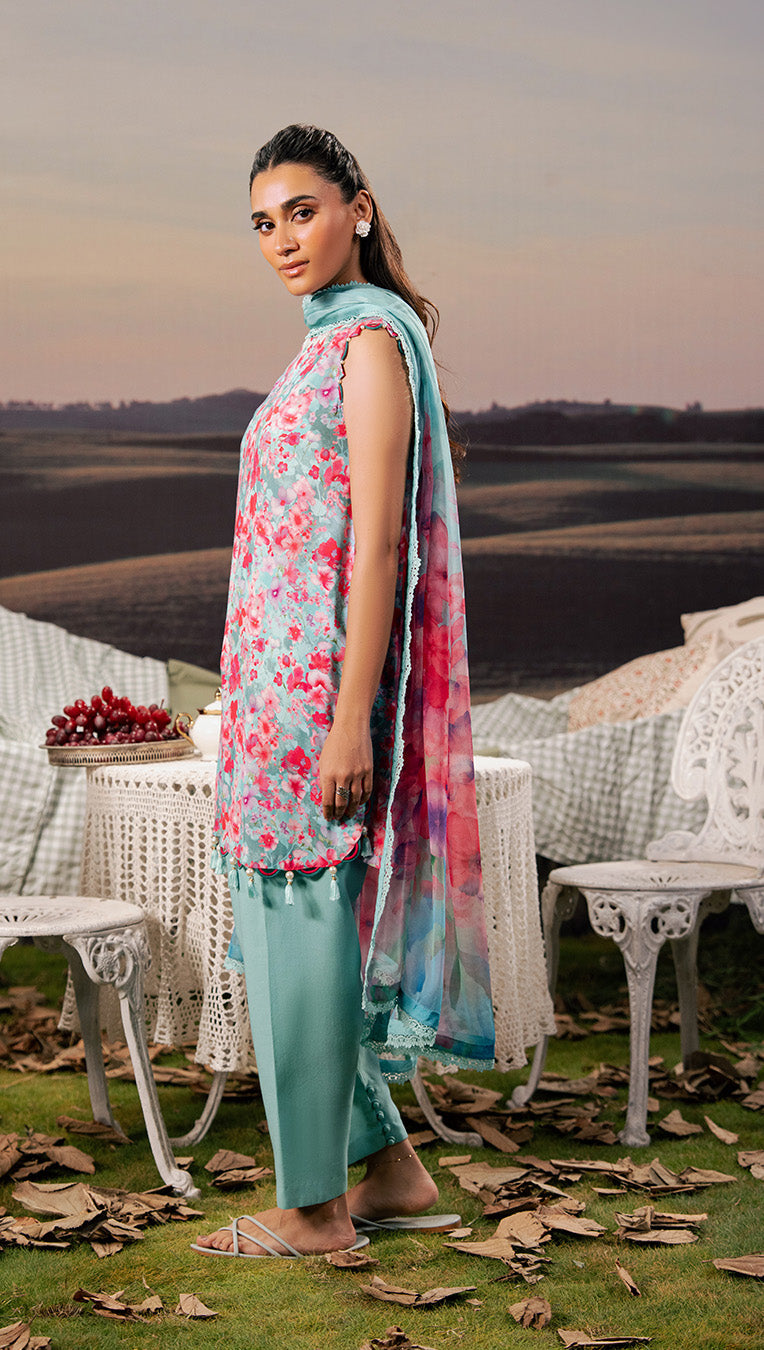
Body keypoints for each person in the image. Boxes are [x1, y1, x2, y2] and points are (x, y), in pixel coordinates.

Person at [193, 125, 494, 1259]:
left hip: (320, 696)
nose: (282, 239)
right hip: (271, 696)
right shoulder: (320, 345)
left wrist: (349, 720)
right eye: (263, 223)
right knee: (284, 930)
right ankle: (391, 1173)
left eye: (303, 211)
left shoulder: (368, 344)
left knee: (307, 931)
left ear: (358, 209)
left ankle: (314, 1210)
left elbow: (377, 548)